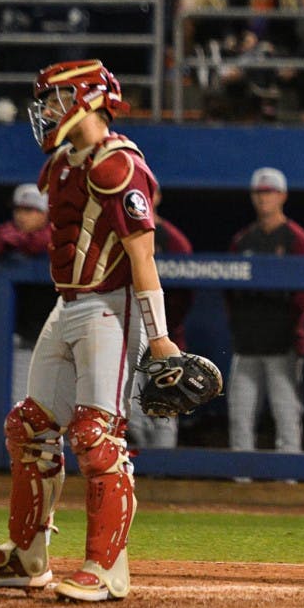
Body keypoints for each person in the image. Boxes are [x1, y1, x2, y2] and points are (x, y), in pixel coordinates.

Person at [0, 58, 181, 602]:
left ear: (87, 99)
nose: (48, 111)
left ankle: (108, 569)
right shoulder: (62, 163)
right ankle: (28, 559)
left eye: (56, 100)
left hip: (111, 306)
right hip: (67, 304)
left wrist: (159, 338)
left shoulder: (119, 164)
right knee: (29, 426)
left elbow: (143, 255)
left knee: (95, 435)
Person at [226, 167, 304, 456]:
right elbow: (228, 289)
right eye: (260, 193)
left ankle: (288, 482)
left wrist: (290, 326)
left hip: (283, 345)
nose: (264, 198)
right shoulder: (243, 240)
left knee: (286, 413)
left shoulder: (297, 240)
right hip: (246, 345)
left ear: (283, 196)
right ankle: (242, 481)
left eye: (270, 193)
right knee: (240, 414)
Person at [0, 183, 54, 404]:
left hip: (58, 336)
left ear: (46, 213)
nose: (22, 216)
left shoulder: (60, 232)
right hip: (22, 334)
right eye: (19, 210)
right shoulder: (8, 232)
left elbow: (42, 242)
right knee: (19, 400)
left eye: (30, 210)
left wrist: (20, 241)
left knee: (58, 403)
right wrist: (8, 240)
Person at [126, 189, 194, 450]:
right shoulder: (124, 232)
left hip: (164, 334)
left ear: (157, 197)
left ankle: (164, 468)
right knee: (131, 408)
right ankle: (141, 468)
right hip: (128, 332)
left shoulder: (173, 240)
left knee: (166, 407)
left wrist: (167, 328)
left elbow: (187, 293)